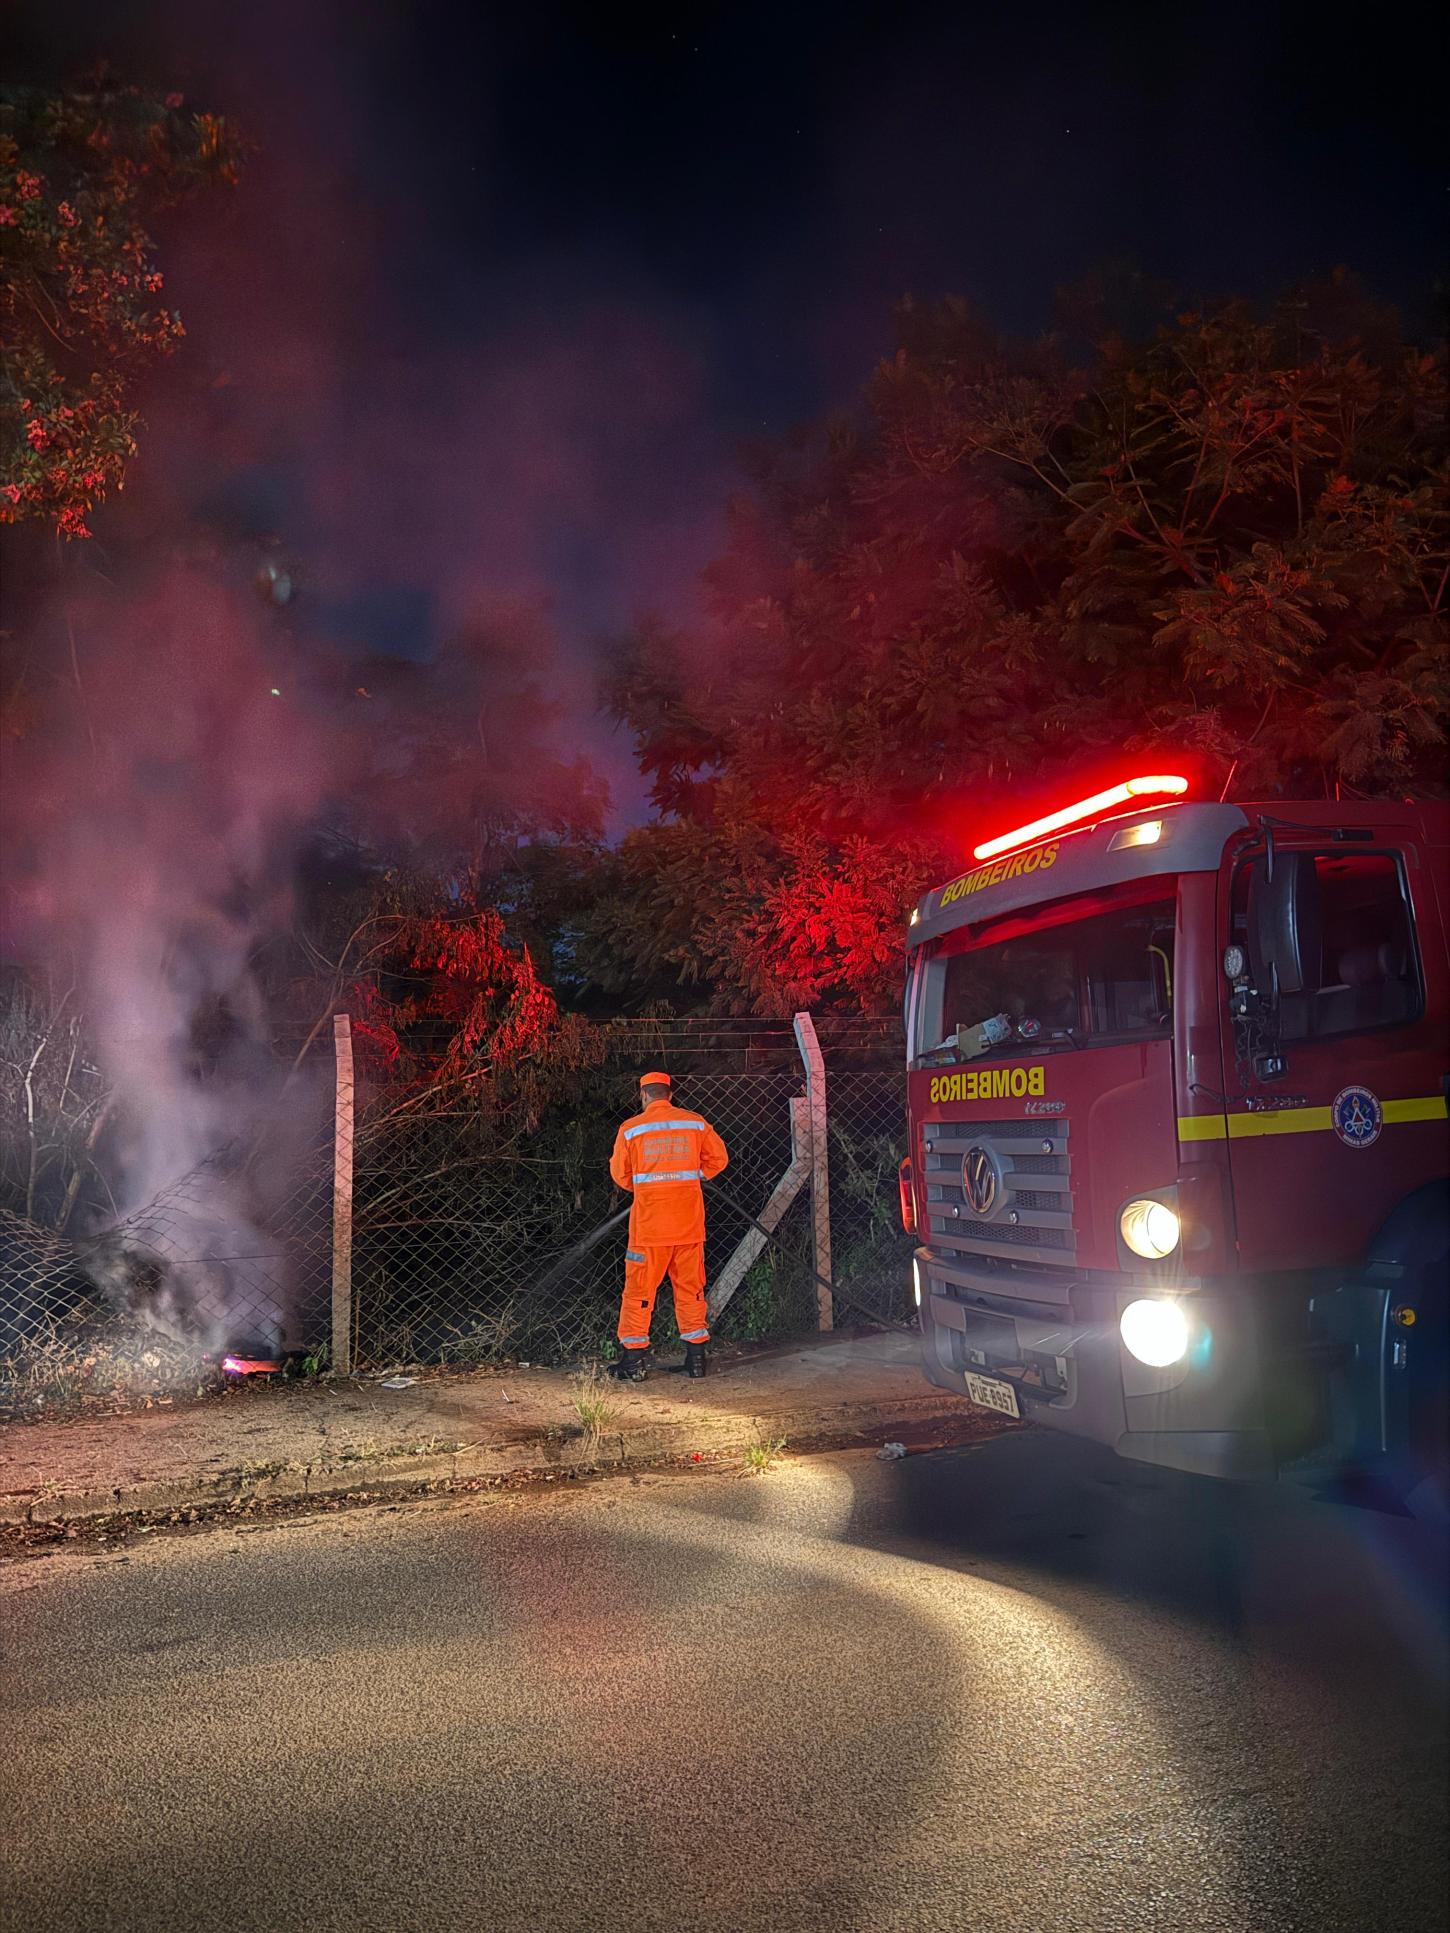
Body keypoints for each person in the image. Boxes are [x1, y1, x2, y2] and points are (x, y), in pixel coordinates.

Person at [608, 1071, 728, 1380]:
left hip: (649, 1228)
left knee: (639, 1292)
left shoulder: (631, 1129)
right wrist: (691, 1178)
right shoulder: (695, 1123)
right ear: (670, 1095)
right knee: (691, 1290)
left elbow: (622, 1176)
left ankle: (633, 1363)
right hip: (688, 1225)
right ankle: (696, 1361)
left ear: (644, 1095)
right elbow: (719, 1160)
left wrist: (649, 1188)